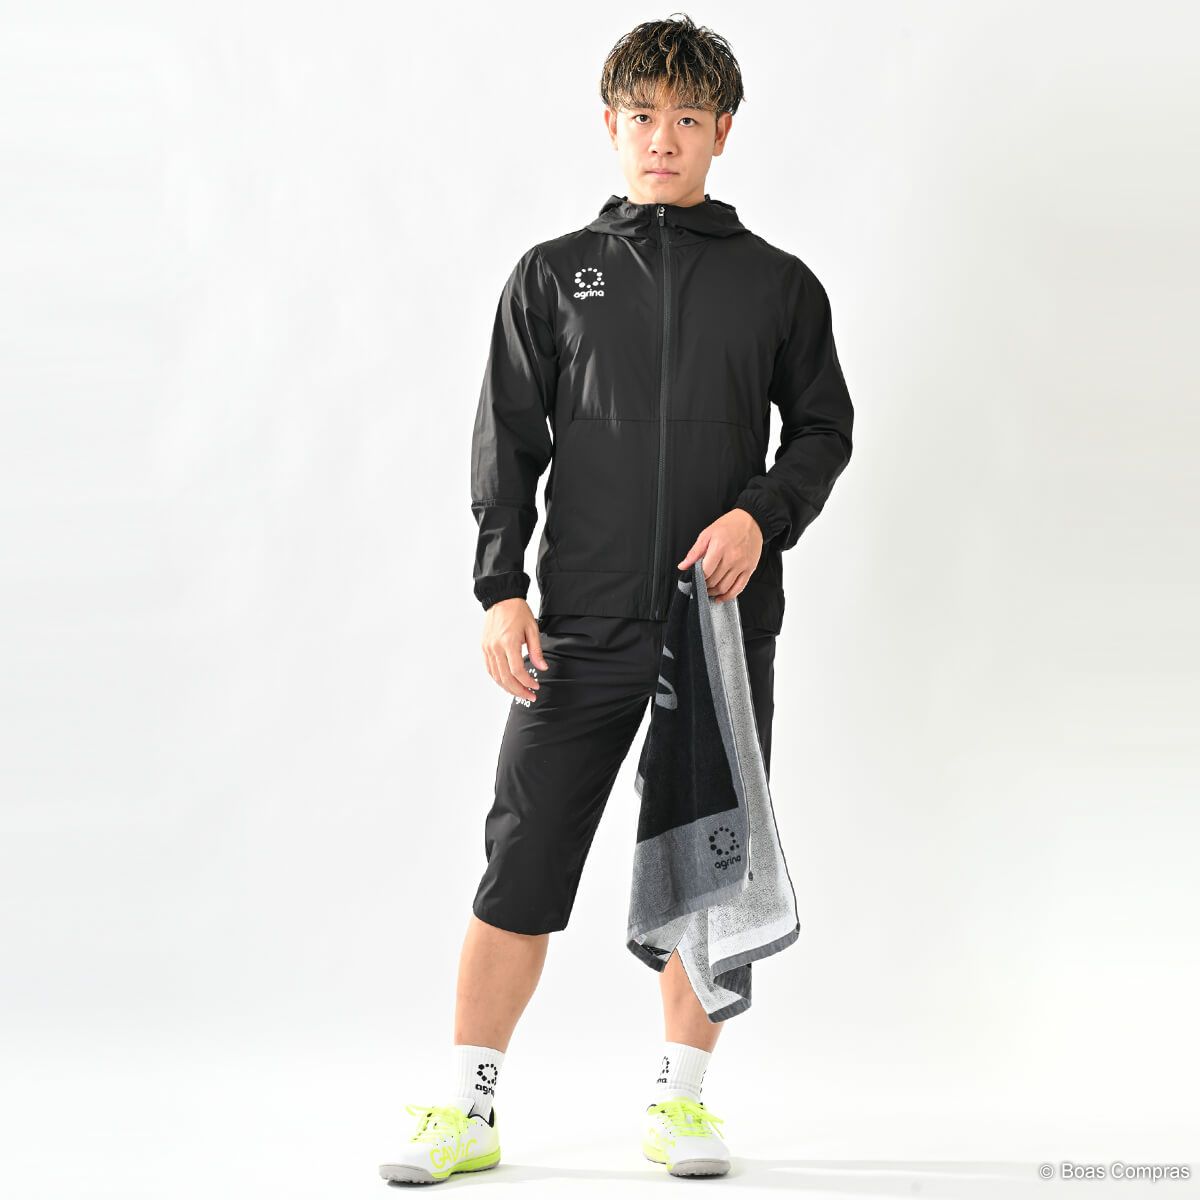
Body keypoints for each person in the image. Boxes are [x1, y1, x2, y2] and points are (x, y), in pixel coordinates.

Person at [379, 12, 854, 1186]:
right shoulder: (553, 275)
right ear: (611, 124)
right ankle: (469, 1108)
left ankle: (681, 1104)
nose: (663, 139)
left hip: (718, 627)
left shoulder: (778, 286)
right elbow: (509, 444)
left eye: (688, 118)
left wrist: (759, 515)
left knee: (707, 871)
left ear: (723, 131)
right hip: (580, 626)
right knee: (523, 857)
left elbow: (823, 432)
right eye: (643, 116)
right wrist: (501, 590)